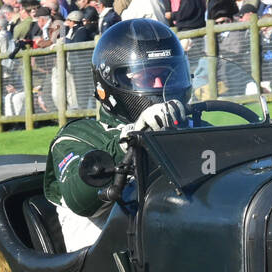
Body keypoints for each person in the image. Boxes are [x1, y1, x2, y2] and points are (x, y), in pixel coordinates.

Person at [44, 19, 192, 252]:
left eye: (166, 75)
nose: (158, 85)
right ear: (111, 81)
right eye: (146, 76)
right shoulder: (77, 136)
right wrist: (130, 140)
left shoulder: (192, 127)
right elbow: (80, 199)